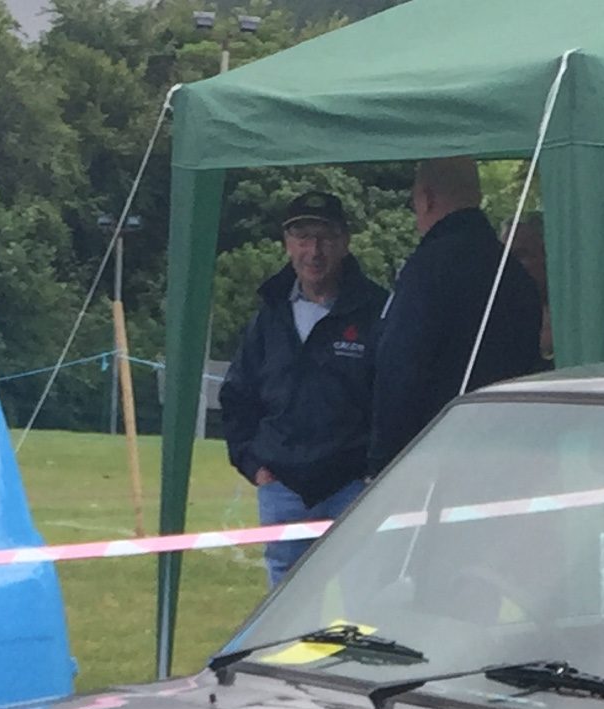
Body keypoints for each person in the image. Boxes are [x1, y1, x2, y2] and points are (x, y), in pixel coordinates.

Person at [220, 191, 390, 586]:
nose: (314, 251)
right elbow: (236, 397)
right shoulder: (269, 316)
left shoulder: (379, 311)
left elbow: (395, 397)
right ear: (287, 244)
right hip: (282, 489)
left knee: (362, 606)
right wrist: (254, 465)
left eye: (325, 237)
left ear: (345, 242)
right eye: (303, 237)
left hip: (353, 489)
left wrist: (374, 470)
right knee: (285, 618)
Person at [369, 156, 542, 468]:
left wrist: (383, 459)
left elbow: (400, 367)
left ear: (426, 198)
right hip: (512, 451)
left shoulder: (425, 271)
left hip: (437, 455)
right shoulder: (514, 271)